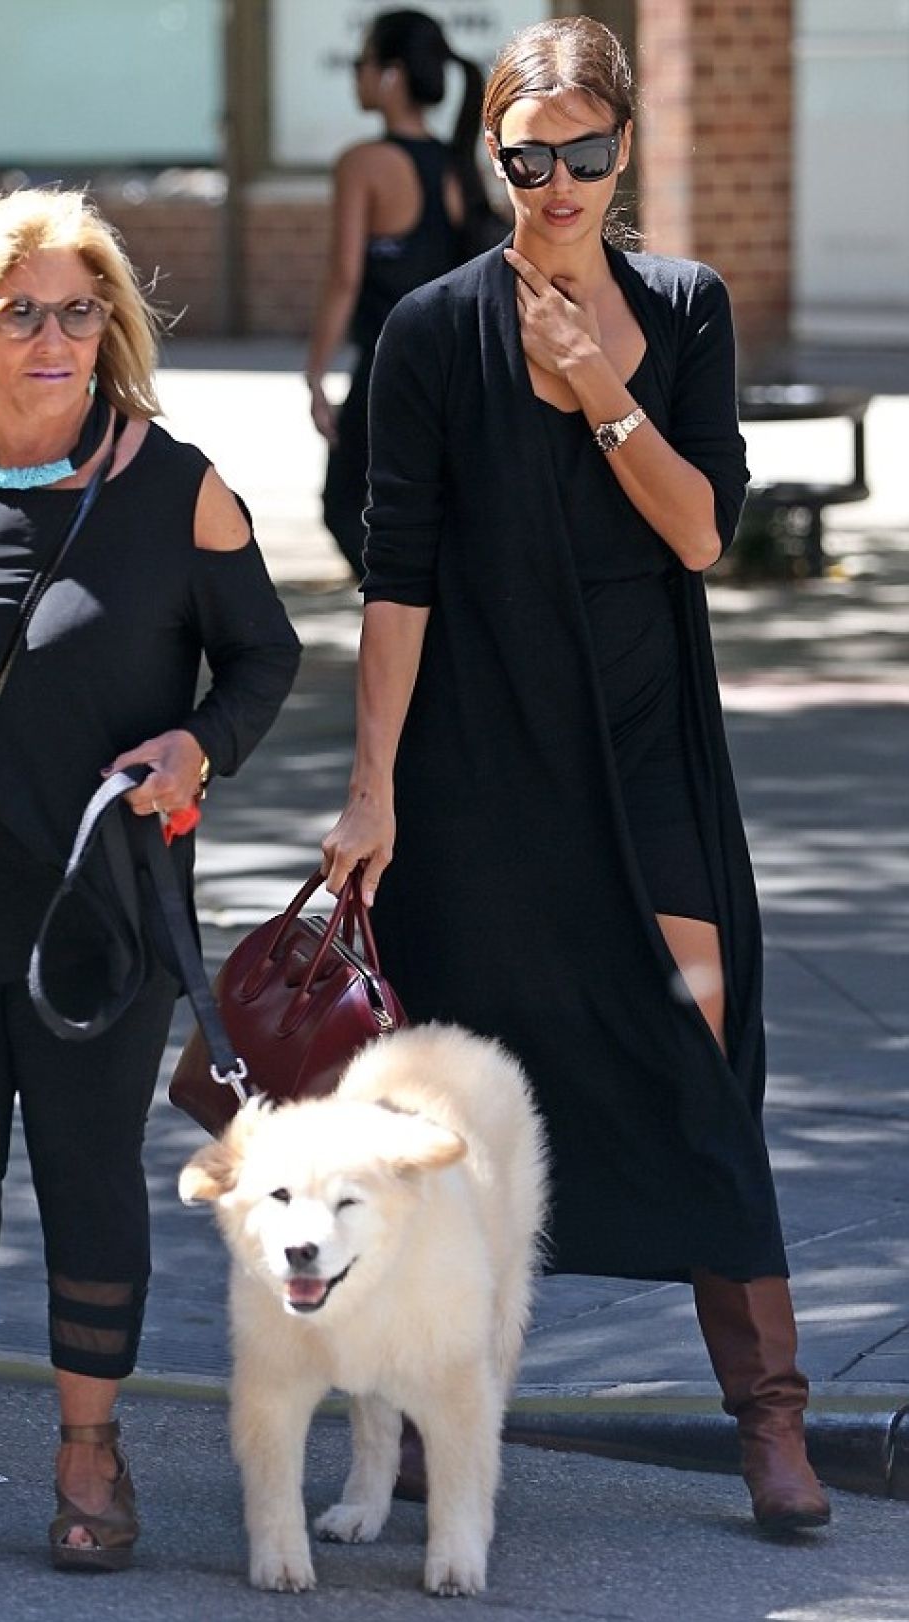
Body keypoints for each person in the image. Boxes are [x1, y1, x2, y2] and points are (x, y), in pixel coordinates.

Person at [321, 16, 830, 1533]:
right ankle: (428, 1407)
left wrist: (601, 383)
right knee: (460, 1098)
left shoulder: (684, 308)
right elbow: (397, 577)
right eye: (527, 158)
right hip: (478, 758)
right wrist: (372, 788)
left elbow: (702, 532)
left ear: (624, 151)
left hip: (646, 742)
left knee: (696, 1056)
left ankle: (771, 1414)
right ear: (494, 156)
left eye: (583, 154)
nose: (555, 184)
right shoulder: (432, 332)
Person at [0, 188, 301, 1568]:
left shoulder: (179, 487)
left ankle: (91, 1450)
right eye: (21, 312)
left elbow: (265, 654)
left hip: (98, 905)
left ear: (110, 327)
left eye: (79, 310)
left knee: (89, 1174)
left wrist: (200, 745)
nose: (53, 337)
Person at [304, 8, 499, 576]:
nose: (356, 76)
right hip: (458, 372)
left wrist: (315, 374)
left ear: (390, 74)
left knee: (347, 507)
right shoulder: (458, 166)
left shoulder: (364, 164)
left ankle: (408, 617)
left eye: (361, 63)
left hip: (389, 370)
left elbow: (343, 277)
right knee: (437, 512)